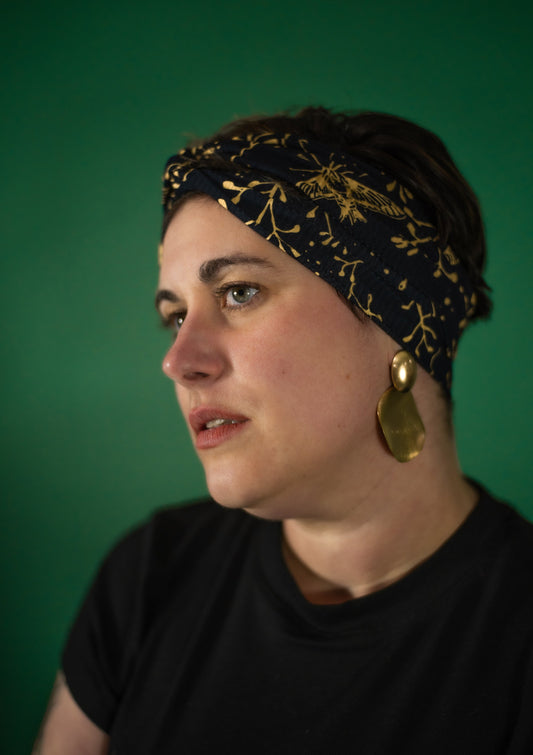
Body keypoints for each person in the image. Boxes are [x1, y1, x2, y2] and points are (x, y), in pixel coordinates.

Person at [34, 107, 533, 754]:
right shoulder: (150, 577)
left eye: (239, 292)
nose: (179, 361)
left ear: (399, 323)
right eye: (175, 315)